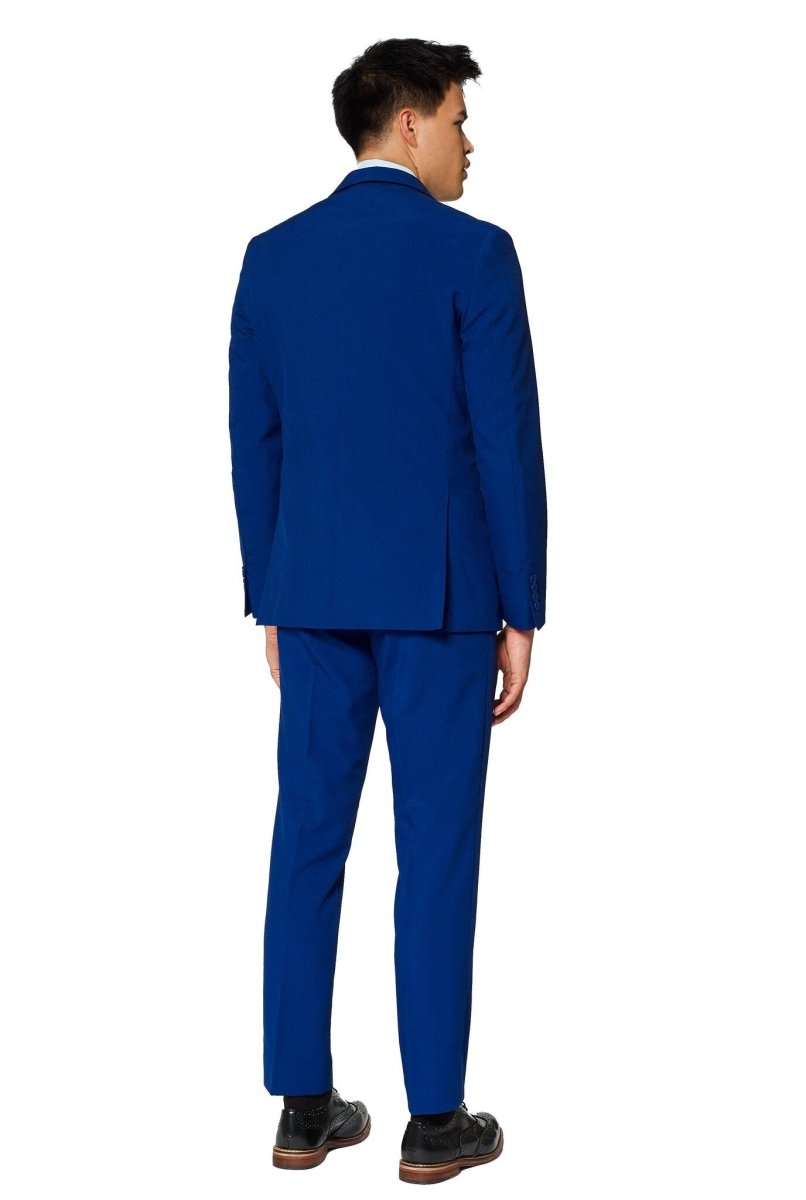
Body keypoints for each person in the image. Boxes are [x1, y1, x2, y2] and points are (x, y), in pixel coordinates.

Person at [228, 37, 548, 1184]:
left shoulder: (273, 258)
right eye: (458, 118)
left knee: (305, 842)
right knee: (436, 853)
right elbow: (503, 441)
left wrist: (268, 595)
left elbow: (254, 439)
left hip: (311, 595)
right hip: (442, 600)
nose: (468, 142)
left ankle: (302, 1107)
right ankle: (433, 1121)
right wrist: (522, 609)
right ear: (407, 122)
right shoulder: (472, 253)